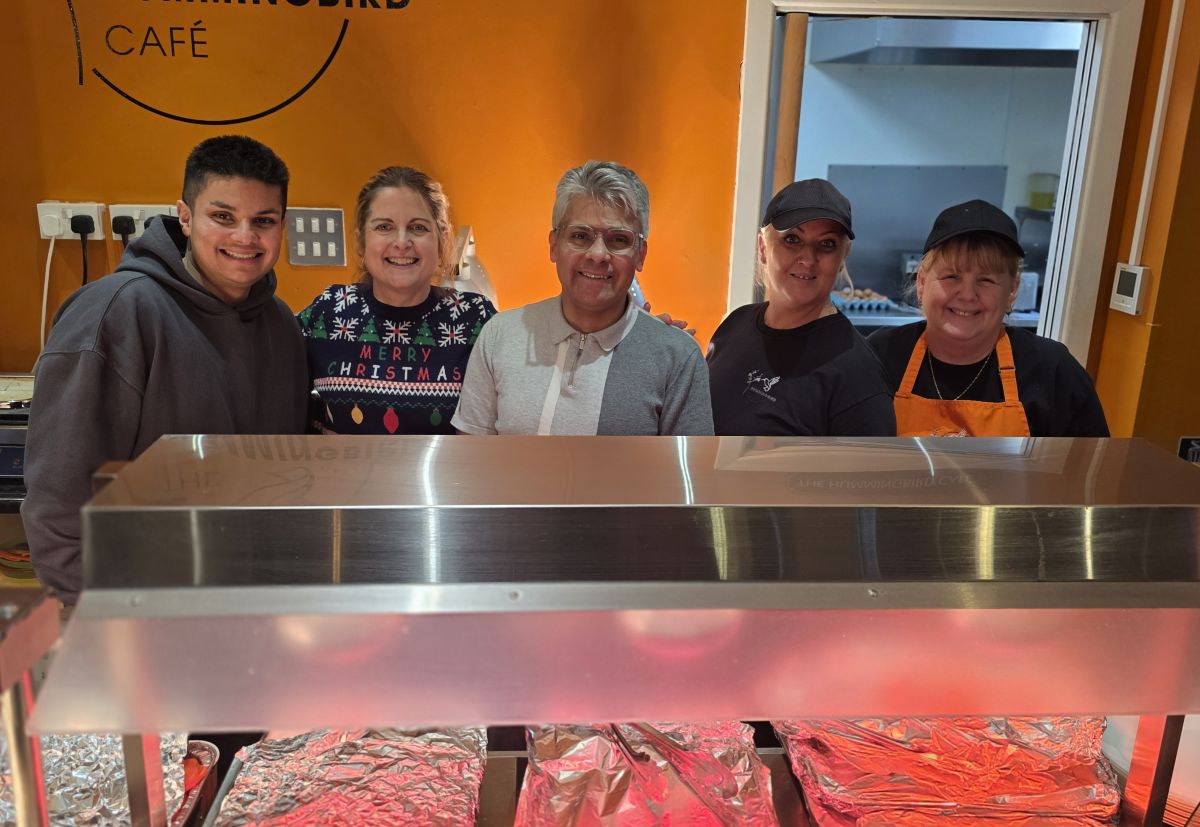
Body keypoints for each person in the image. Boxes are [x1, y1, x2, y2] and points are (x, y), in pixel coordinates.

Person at [21, 135, 308, 604]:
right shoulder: (115, 316)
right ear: (185, 217)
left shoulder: (281, 325)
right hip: (138, 607)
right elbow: (60, 507)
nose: (244, 237)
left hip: (249, 596)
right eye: (223, 216)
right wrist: (107, 616)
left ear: (282, 227)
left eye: (263, 220)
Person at [452, 160, 712, 436]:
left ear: (640, 254)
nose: (598, 254)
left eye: (618, 239)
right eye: (580, 236)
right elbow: (471, 457)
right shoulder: (499, 336)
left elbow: (691, 464)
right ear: (554, 246)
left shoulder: (678, 358)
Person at [867, 199, 1108, 437]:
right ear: (921, 282)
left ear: (1012, 290)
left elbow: (1088, 461)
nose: (967, 295)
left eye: (986, 280)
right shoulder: (880, 356)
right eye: (951, 276)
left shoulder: (1053, 370)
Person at [297, 167, 496, 434]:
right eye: (384, 227)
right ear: (361, 241)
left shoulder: (477, 318)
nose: (402, 242)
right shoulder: (329, 309)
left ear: (442, 240)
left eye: (418, 227)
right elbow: (277, 395)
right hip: (346, 464)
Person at [706, 178, 895, 436]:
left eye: (827, 244)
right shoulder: (734, 324)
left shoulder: (857, 374)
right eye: (792, 239)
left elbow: (868, 463)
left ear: (843, 257)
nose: (808, 259)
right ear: (763, 248)